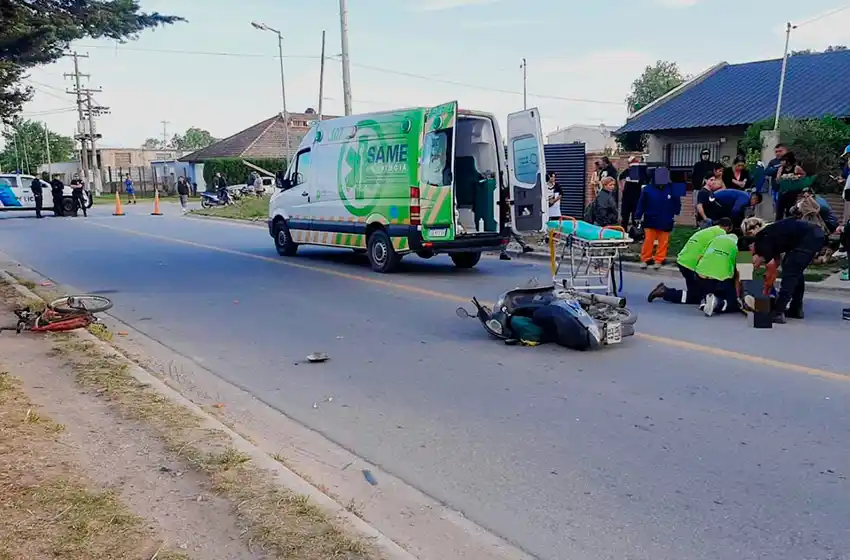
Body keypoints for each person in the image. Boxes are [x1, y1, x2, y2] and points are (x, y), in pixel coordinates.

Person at [744, 217, 825, 323]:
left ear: (752, 247)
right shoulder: (769, 235)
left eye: (752, 261)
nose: (755, 265)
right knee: (796, 272)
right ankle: (795, 309)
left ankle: (778, 312)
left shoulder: (761, 241)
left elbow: (771, 269)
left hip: (806, 238)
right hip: (813, 234)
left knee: (790, 274)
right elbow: (776, 262)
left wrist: (765, 290)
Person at [648, 218, 734, 305]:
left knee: (696, 292)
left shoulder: (708, 230)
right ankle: (665, 292)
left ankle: (665, 291)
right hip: (691, 265)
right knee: (695, 297)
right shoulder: (721, 234)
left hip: (683, 260)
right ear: (728, 228)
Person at [634, 168, 681, 270]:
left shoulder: (673, 188)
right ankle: (645, 259)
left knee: (663, 241)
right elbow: (641, 203)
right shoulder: (647, 189)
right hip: (650, 218)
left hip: (666, 218)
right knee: (648, 240)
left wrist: (676, 213)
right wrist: (637, 215)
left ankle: (659, 260)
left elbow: (677, 203)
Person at [695, 232, 741, 316]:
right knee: (734, 303)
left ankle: (705, 300)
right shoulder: (739, 245)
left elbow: (700, 258)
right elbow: (739, 274)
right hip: (720, 279)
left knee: (708, 289)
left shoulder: (715, 239)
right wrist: (737, 296)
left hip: (701, 275)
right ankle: (717, 303)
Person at [773, 151, 807, 220]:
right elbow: (777, 180)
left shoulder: (796, 168)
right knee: (779, 212)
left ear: (788, 161)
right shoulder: (781, 168)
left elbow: (804, 175)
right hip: (782, 192)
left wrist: (797, 177)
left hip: (792, 193)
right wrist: (782, 179)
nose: (781, 162)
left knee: (790, 212)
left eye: (783, 161)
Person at [618, 156, 646, 226]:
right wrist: (622, 188)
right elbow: (620, 178)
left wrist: (622, 188)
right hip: (629, 197)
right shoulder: (628, 171)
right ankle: (631, 232)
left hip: (633, 197)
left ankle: (633, 232)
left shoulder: (640, 172)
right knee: (627, 218)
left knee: (630, 218)